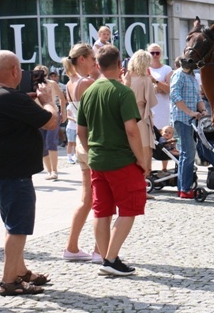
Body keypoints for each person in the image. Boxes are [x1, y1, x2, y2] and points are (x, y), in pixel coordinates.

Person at [77, 45, 149, 276]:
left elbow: (80, 130)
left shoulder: (88, 92)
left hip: (97, 160)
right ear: (120, 66)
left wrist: (92, 151)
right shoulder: (122, 92)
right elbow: (132, 130)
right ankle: (110, 258)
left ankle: (105, 256)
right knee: (129, 209)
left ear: (97, 66)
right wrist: (142, 160)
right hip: (121, 160)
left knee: (102, 210)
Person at [0, 50, 58, 296]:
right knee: (18, 228)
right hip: (14, 173)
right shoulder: (11, 98)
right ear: (13, 71)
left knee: (13, 225)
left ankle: (21, 271)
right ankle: (9, 281)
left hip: (1, 172)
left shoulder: (3, 96)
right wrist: (48, 101)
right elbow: (50, 122)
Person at [62, 43, 100, 262]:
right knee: (101, 197)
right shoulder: (86, 82)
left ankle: (72, 246)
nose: (95, 62)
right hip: (92, 142)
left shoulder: (70, 83)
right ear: (83, 59)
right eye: (92, 58)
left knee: (86, 198)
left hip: (80, 142)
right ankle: (100, 249)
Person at [170, 48, 207, 199]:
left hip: (192, 119)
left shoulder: (192, 77)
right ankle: (184, 188)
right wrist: (190, 112)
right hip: (182, 118)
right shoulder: (178, 74)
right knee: (188, 152)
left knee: (188, 153)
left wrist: (203, 111)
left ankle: (183, 187)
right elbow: (174, 95)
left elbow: (198, 97)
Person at [123, 50, 158, 173]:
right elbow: (152, 101)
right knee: (144, 149)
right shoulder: (145, 79)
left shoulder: (125, 78)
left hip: (126, 115)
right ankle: (144, 176)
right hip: (141, 114)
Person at [34, 65, 67, 180]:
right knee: (42, 144)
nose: (41, 75)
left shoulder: (52, 84)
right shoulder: (33, 85)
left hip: (52, 114)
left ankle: (54, 171)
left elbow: (62, 97)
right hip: (39, 116)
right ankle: (48, 171)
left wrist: (64, 112)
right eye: (38, 73)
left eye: (43, 73)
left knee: (51, 141)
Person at [148, 43, 173, 130]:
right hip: (150, 106)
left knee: (163, 133)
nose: (155, 55)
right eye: (152, 53)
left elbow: (169, 89)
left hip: (162, 106)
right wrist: (160, 86)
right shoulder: (146, 69)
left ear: (160, 54)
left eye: (157, 53)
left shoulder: (167, 69)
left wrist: (155, 82)